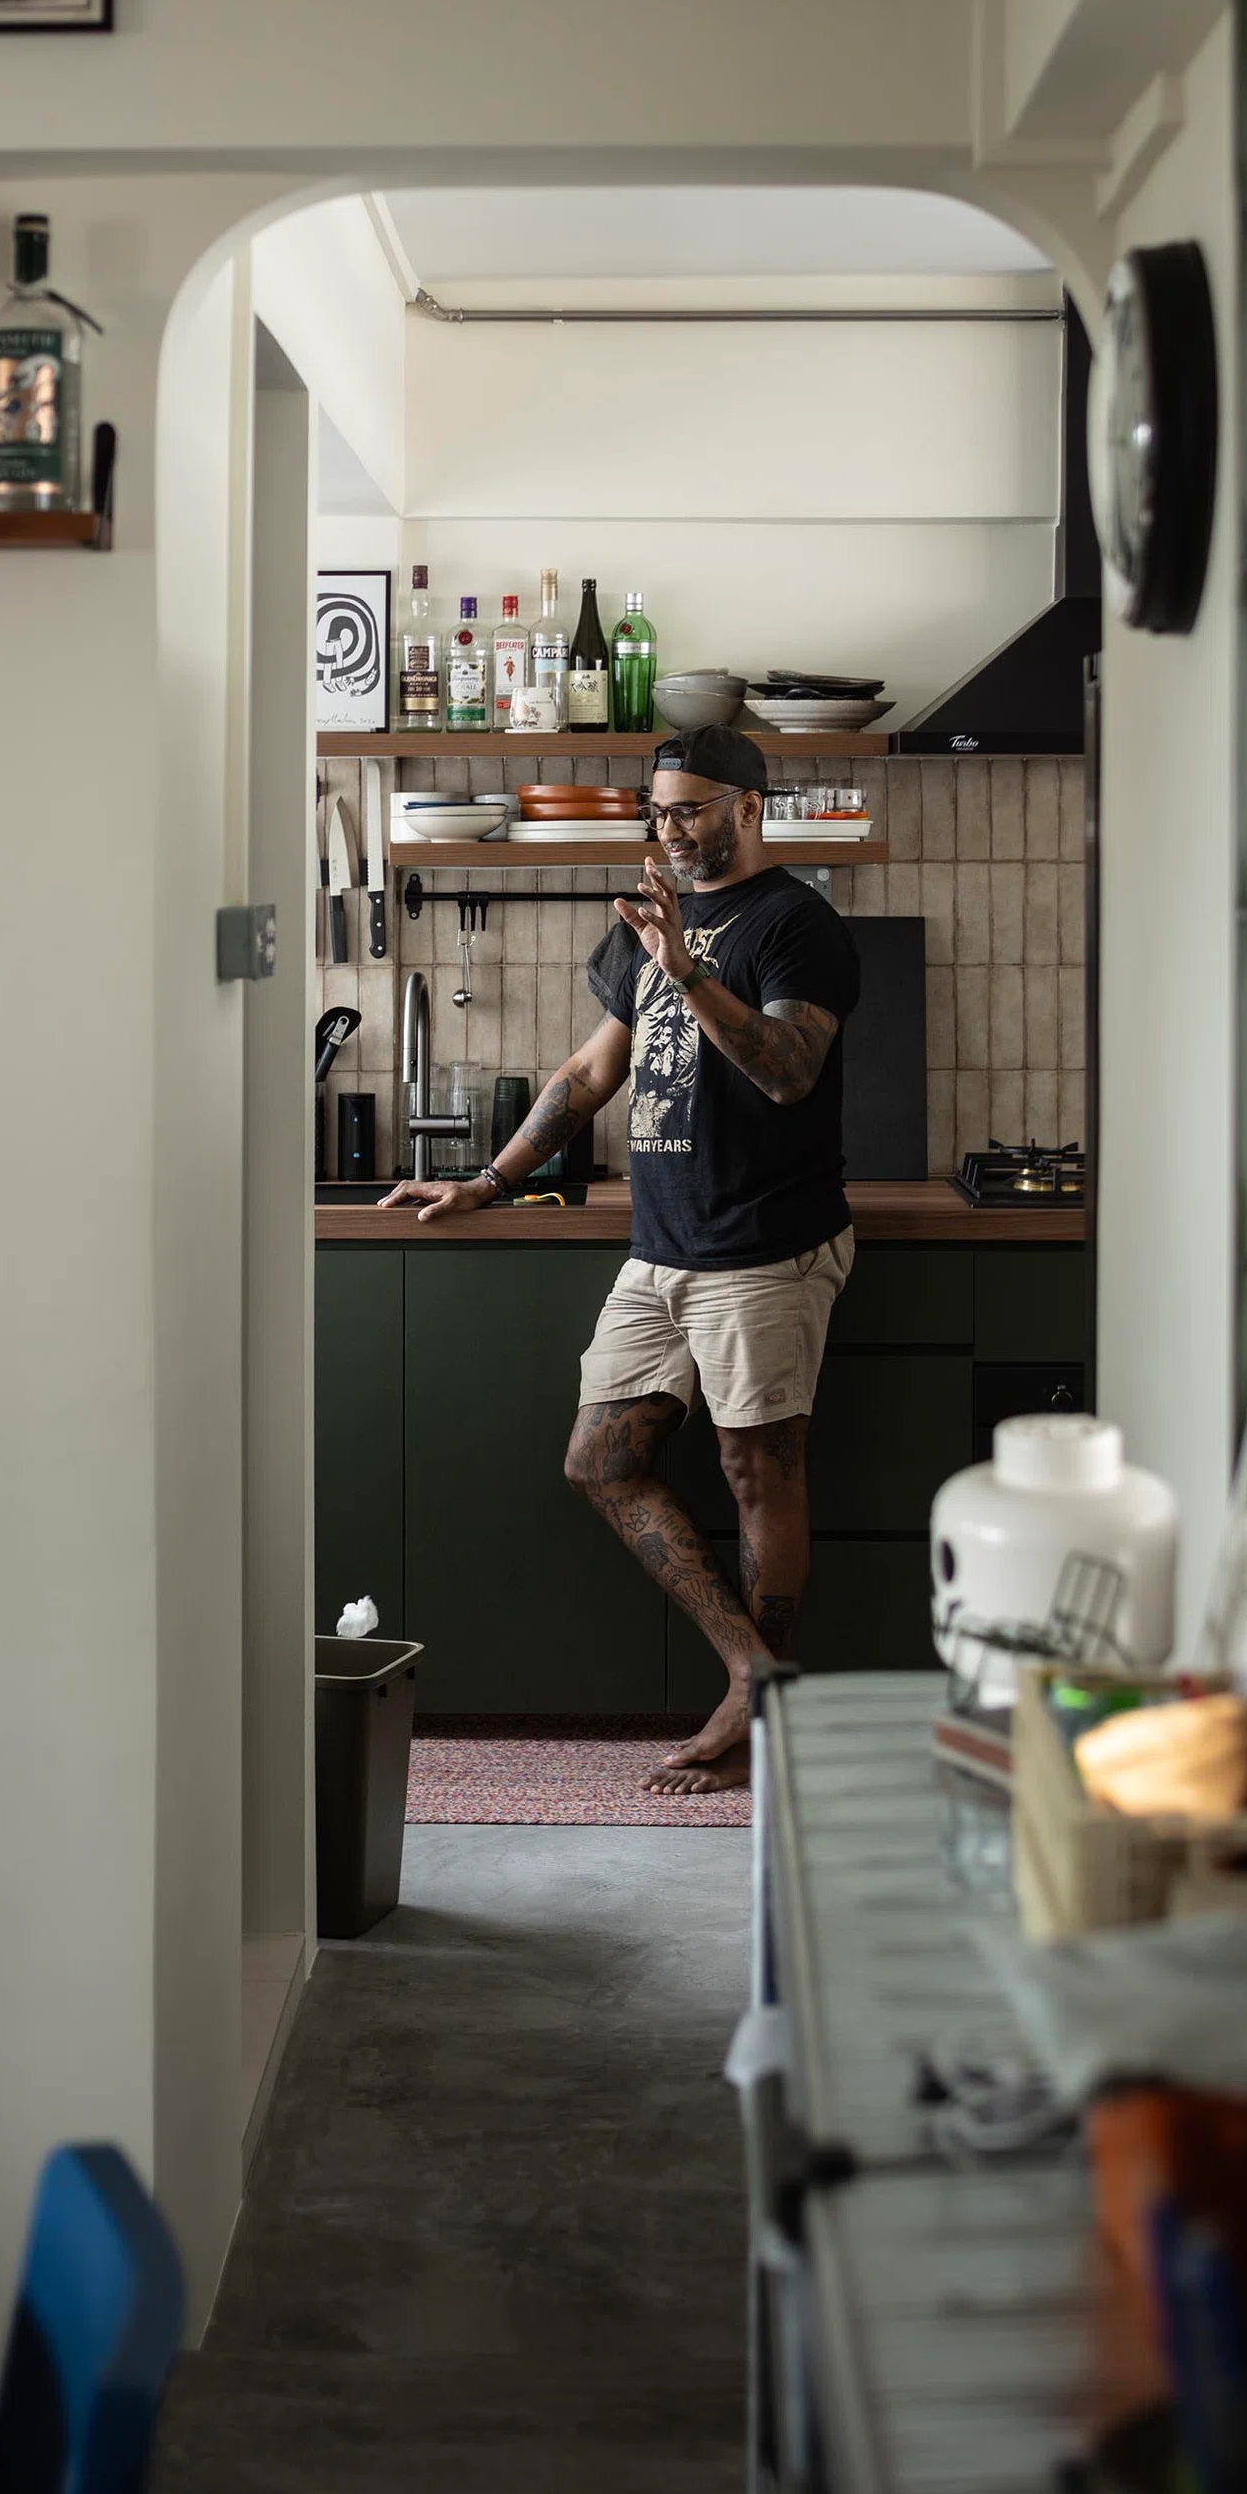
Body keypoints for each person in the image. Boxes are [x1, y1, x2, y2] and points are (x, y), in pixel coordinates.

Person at [380, 726, 861, 1793]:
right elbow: (593, 1072)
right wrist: (489, 1179)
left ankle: (759, 1718)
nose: (668, 828)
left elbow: (789, 1072)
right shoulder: (647, 921)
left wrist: (687, 971)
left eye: (689, 808)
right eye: (658, 810)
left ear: (747, 807)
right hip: (663, 1246)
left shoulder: (798, 924)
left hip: (765, 1244)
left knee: (758, 1472)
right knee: (599, 1459)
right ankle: (752, 1670)